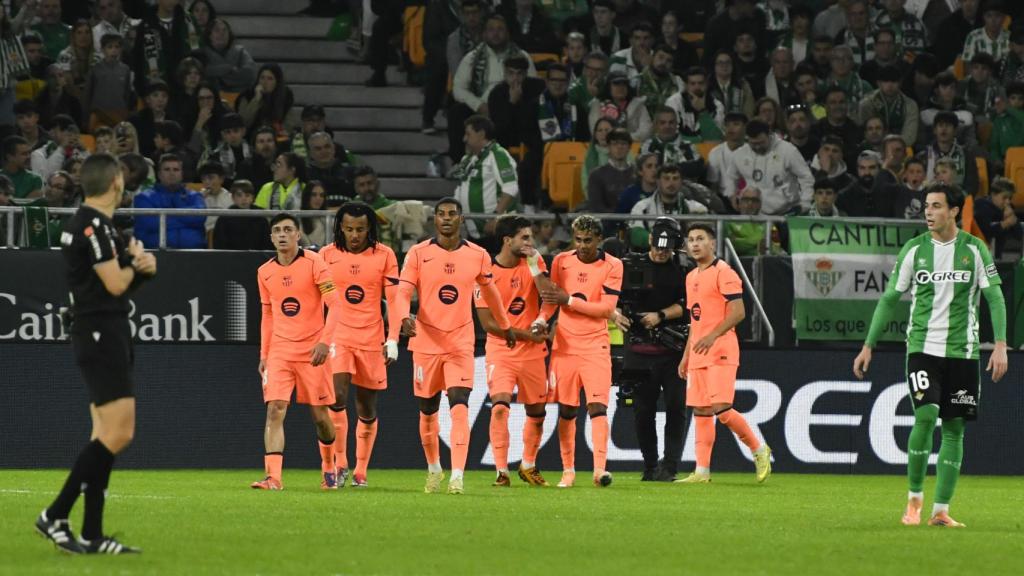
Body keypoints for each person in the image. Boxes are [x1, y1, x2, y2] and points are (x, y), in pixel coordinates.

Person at [853, 182, 1008, 528]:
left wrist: (1000, 344)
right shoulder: (913, 250)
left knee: (954, 430)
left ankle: (941, 510)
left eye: (936, 206)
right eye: (926, 206)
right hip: (922, 349)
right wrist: (868, 344)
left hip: (963, 353)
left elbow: (995, 297)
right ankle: (914, 500)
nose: (928, 212)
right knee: (925, 417)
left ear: (954, 211)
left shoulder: (975, 249)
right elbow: (889, 299)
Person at [35, 153, 156, 555]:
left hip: (96, 329)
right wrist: (139, 267)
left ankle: (91, 533)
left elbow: (108, 282)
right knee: (120, 432)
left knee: (103, 434)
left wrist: (131, 265)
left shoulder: (82, 223)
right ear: (117, 182)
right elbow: (116, 284)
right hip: (102, 330)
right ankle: (55, 513)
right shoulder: (95, 225)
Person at [392, 197, 515, 495]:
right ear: (434, 219)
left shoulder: (478, 255)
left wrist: (506, 325)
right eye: (441, 214)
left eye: (452, 214)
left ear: (461, 218)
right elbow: (402, 292)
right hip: (425, 341)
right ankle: (434, 468)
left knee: (459, 406)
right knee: (428, 411)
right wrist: (399, 326)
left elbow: (492, 294)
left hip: (460, 341)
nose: (446, 218)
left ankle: (457, 475)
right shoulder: (419, 253)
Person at [253, 213, 344, 490]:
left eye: (288, 230)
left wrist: (324, 343)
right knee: (275, 410)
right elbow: (267, 314)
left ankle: (329, 466)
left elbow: (335, 304)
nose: (282, 235)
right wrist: (264, 354)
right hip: (280, 350)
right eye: (277, 230)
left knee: (320, 417)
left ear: (298, 235)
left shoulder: (315, 263)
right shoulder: (264, 271)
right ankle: (274, 478)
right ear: (271, 237)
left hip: (312, 350)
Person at [676, 222, 771, 484]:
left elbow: (739, 312)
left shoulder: (724, 272)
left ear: (712, 243)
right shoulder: (691, 277)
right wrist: (686, 356)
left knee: (721, 409)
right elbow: (695, 322)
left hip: (721, 350)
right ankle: (702, 472)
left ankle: (759, 449)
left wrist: (712, 335)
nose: (694, 244)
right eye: (691, 239)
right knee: (701, 411)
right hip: (698, 352)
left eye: (700, 239)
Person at [319, 201, 401, 488]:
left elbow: (394, 299)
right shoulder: (326, 255)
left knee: (366, 407)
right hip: (338, 336)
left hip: (371, 338)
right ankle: (339, 463)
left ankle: (361, 470)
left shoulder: (385, 255)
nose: (355, 235)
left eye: (361, 230)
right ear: (340, 227)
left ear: (370, 229)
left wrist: (393, 338)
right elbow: (317, 300)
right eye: (350, 229)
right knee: (336, 397)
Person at [540, 214, 623, 488]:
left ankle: (600, 470)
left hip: (595, 345)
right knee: (567, 409)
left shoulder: (613, 265)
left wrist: (570, 300)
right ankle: (568, 471)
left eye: (588, 240)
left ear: (599, 240)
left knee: (598, 406)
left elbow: (606, 310)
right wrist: (542, 320)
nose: (583, 245)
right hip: (565, 344)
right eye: (578, 240)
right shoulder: (562, 261)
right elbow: (552, 300)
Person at [474, 215, 553, 486]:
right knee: (499, 407)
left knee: (537, 413)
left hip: (532, 352)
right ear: (508, 241)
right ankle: (501, 471)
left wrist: (540, 321)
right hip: (502, 349)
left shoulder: (534, 262)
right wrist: (523, 334)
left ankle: (528, 465)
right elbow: (488, 323)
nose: (531, 242)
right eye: (525, 237)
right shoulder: (484, 272)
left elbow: (549, 296)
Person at [613, 218, 689, 481]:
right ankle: (649, 466)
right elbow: (612, 298)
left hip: (672, 350)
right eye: (657, 246)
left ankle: (670, 467)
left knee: (676, 408)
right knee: (642, 411)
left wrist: (660, 315)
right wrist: (616, 314)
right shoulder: (628, 265)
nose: (660, 252)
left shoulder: (682, 269)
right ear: (649, 241)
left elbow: (688, 304)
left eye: (666, 249)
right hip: (637, 351)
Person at [449, 14, 535, 161]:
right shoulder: (472, 57)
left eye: (500, 29)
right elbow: (458, 88)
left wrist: (514, 101)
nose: (495, 33)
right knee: (457, 112)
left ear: (508, 33)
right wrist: (479, 105)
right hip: (482, 107)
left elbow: (534, 86)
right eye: (491, 29)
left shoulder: (522, 56)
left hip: (512, 108)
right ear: (484, 33)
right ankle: (458, 163)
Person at [724, 120, 814, 215]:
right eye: (754, 144)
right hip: (754, 213)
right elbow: (731, 177)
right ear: (748, 139)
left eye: (761, 142)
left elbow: (806, 177)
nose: (758, 147)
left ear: (769, 135)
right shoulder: (740, 154)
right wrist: (731, 194)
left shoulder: (788, 151)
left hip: (786, 212)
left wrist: (805, 202)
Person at [452, 115, 518, 241]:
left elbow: (510, 188)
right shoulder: (467, 159)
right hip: (473, 235)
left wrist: (495, 217)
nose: (464, 139)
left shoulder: (498, 154)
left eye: (468, 134)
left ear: (481, 134)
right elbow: (461, 190)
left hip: (497, 233)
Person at [859, 65, 920, 146]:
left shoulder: (910, 105)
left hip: (900, 148)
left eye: (894, 81)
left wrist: (893, 147)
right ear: (879, 83)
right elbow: (864, 132)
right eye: (885, 81)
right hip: (872, 147)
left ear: (900, 82)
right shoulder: (867, 103)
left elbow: (910, 136)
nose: (890, 85)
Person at [640, 107, 703, 180]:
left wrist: (661, 166)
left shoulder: (688, 145)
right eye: (662, 123)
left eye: (671, 122)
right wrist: (681, 166)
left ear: (676, 124)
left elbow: (697, 169)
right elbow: (644, 171)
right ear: (656, 125)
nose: (667, 126)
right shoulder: (648, 146)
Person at [665, 67, 725, 143]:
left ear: (706, 84)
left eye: (701, 83)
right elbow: (671, 135)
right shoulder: (674, 102)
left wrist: (702, 112)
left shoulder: (717, 105)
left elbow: (716, 138)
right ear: (686, 85)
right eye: (692, 84)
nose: (697, 87)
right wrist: (699, 141)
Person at [235, 63, 295, 136]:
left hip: (275, 137)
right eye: (262, 78)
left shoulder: (286, 96)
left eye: (270, 79)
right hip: (251, 137)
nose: (264, 82)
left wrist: (282, 132)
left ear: (277, 82)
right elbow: (242, 122)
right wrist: (256, 99)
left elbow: (288, 123)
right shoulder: (247, 95)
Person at [212, 179, 272, 250]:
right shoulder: (225, 217)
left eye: (247, 195)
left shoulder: (261, 215)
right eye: (239, 195)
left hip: (257, 257)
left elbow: (267, 242)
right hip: (231, 258)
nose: (244, 199)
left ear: (252, 197)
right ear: (233, 198)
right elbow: (220, 243)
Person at [202, 18, 257, 93]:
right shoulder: (202, 54)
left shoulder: (240, 51)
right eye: (217, 30)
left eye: (225, 30)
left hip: (240, 97)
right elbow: (203, 73)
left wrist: (218, 76)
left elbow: (250, 73)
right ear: (209, 35)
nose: (222, 33)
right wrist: (228, 68)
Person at [588, 128, 634, 213]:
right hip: (607, 223)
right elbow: (596, 207)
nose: (619, 147)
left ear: (629, 147)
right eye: (615, 144)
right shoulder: (596, 175)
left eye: (623, 144)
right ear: (608, 147)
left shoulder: (638, 173)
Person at [973, 177, 1022, 257]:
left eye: (1010, 198)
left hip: (999, 257)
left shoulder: (1007, 209)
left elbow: (1019, 235)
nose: (1008, 201)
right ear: (993, 195)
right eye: (1004, 197)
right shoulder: (981, 206)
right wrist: (1004, 224)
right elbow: (984, 232)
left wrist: (1013, 219)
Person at [30, 115, 85, 183]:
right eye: (63, 130)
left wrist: (84, 151)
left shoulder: (78, 151)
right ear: (52, 132)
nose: (69, 135)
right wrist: (61, 149)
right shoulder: (38, 154)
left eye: (71, 131)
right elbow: (43, 180)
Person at [960, 1, 1009, 65]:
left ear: (1004, 18)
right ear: (984, 17)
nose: (993, 20)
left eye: (997, 15)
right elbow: (968, 64)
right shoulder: (973, 36)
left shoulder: (1009, 36)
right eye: (989, 16)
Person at [1, 135, 44, 199]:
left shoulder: (34, 179)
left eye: (29, 153)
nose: (28, 157)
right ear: (9, 157)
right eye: (24, 154)